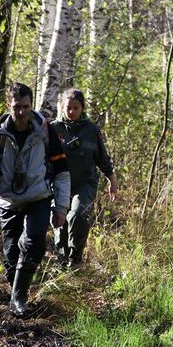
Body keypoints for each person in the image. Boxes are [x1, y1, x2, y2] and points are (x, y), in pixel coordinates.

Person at [0, 82, 70, 315]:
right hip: (8, 201)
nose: (21, 112)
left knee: (34, 241)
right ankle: (16, 293)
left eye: (25, 106)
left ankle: (19, 300)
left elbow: (61, 171)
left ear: (31, 106)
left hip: (38, 197)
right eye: (17, 107)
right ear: (9, 105)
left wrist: (61, 207)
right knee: (11, 256)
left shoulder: (45, 132)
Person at [51, 88, 117, 267]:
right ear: (62, 108)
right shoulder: (53, 129)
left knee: (77, 215)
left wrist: (112, 179)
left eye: (76, 108)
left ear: (82, 109)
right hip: (59, 185)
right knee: (61, 220)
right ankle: (62, 260)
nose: (71, 112)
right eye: (68, 108)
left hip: (85, 184)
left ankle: (76, 258)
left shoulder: (91, 130)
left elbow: (102, 157)